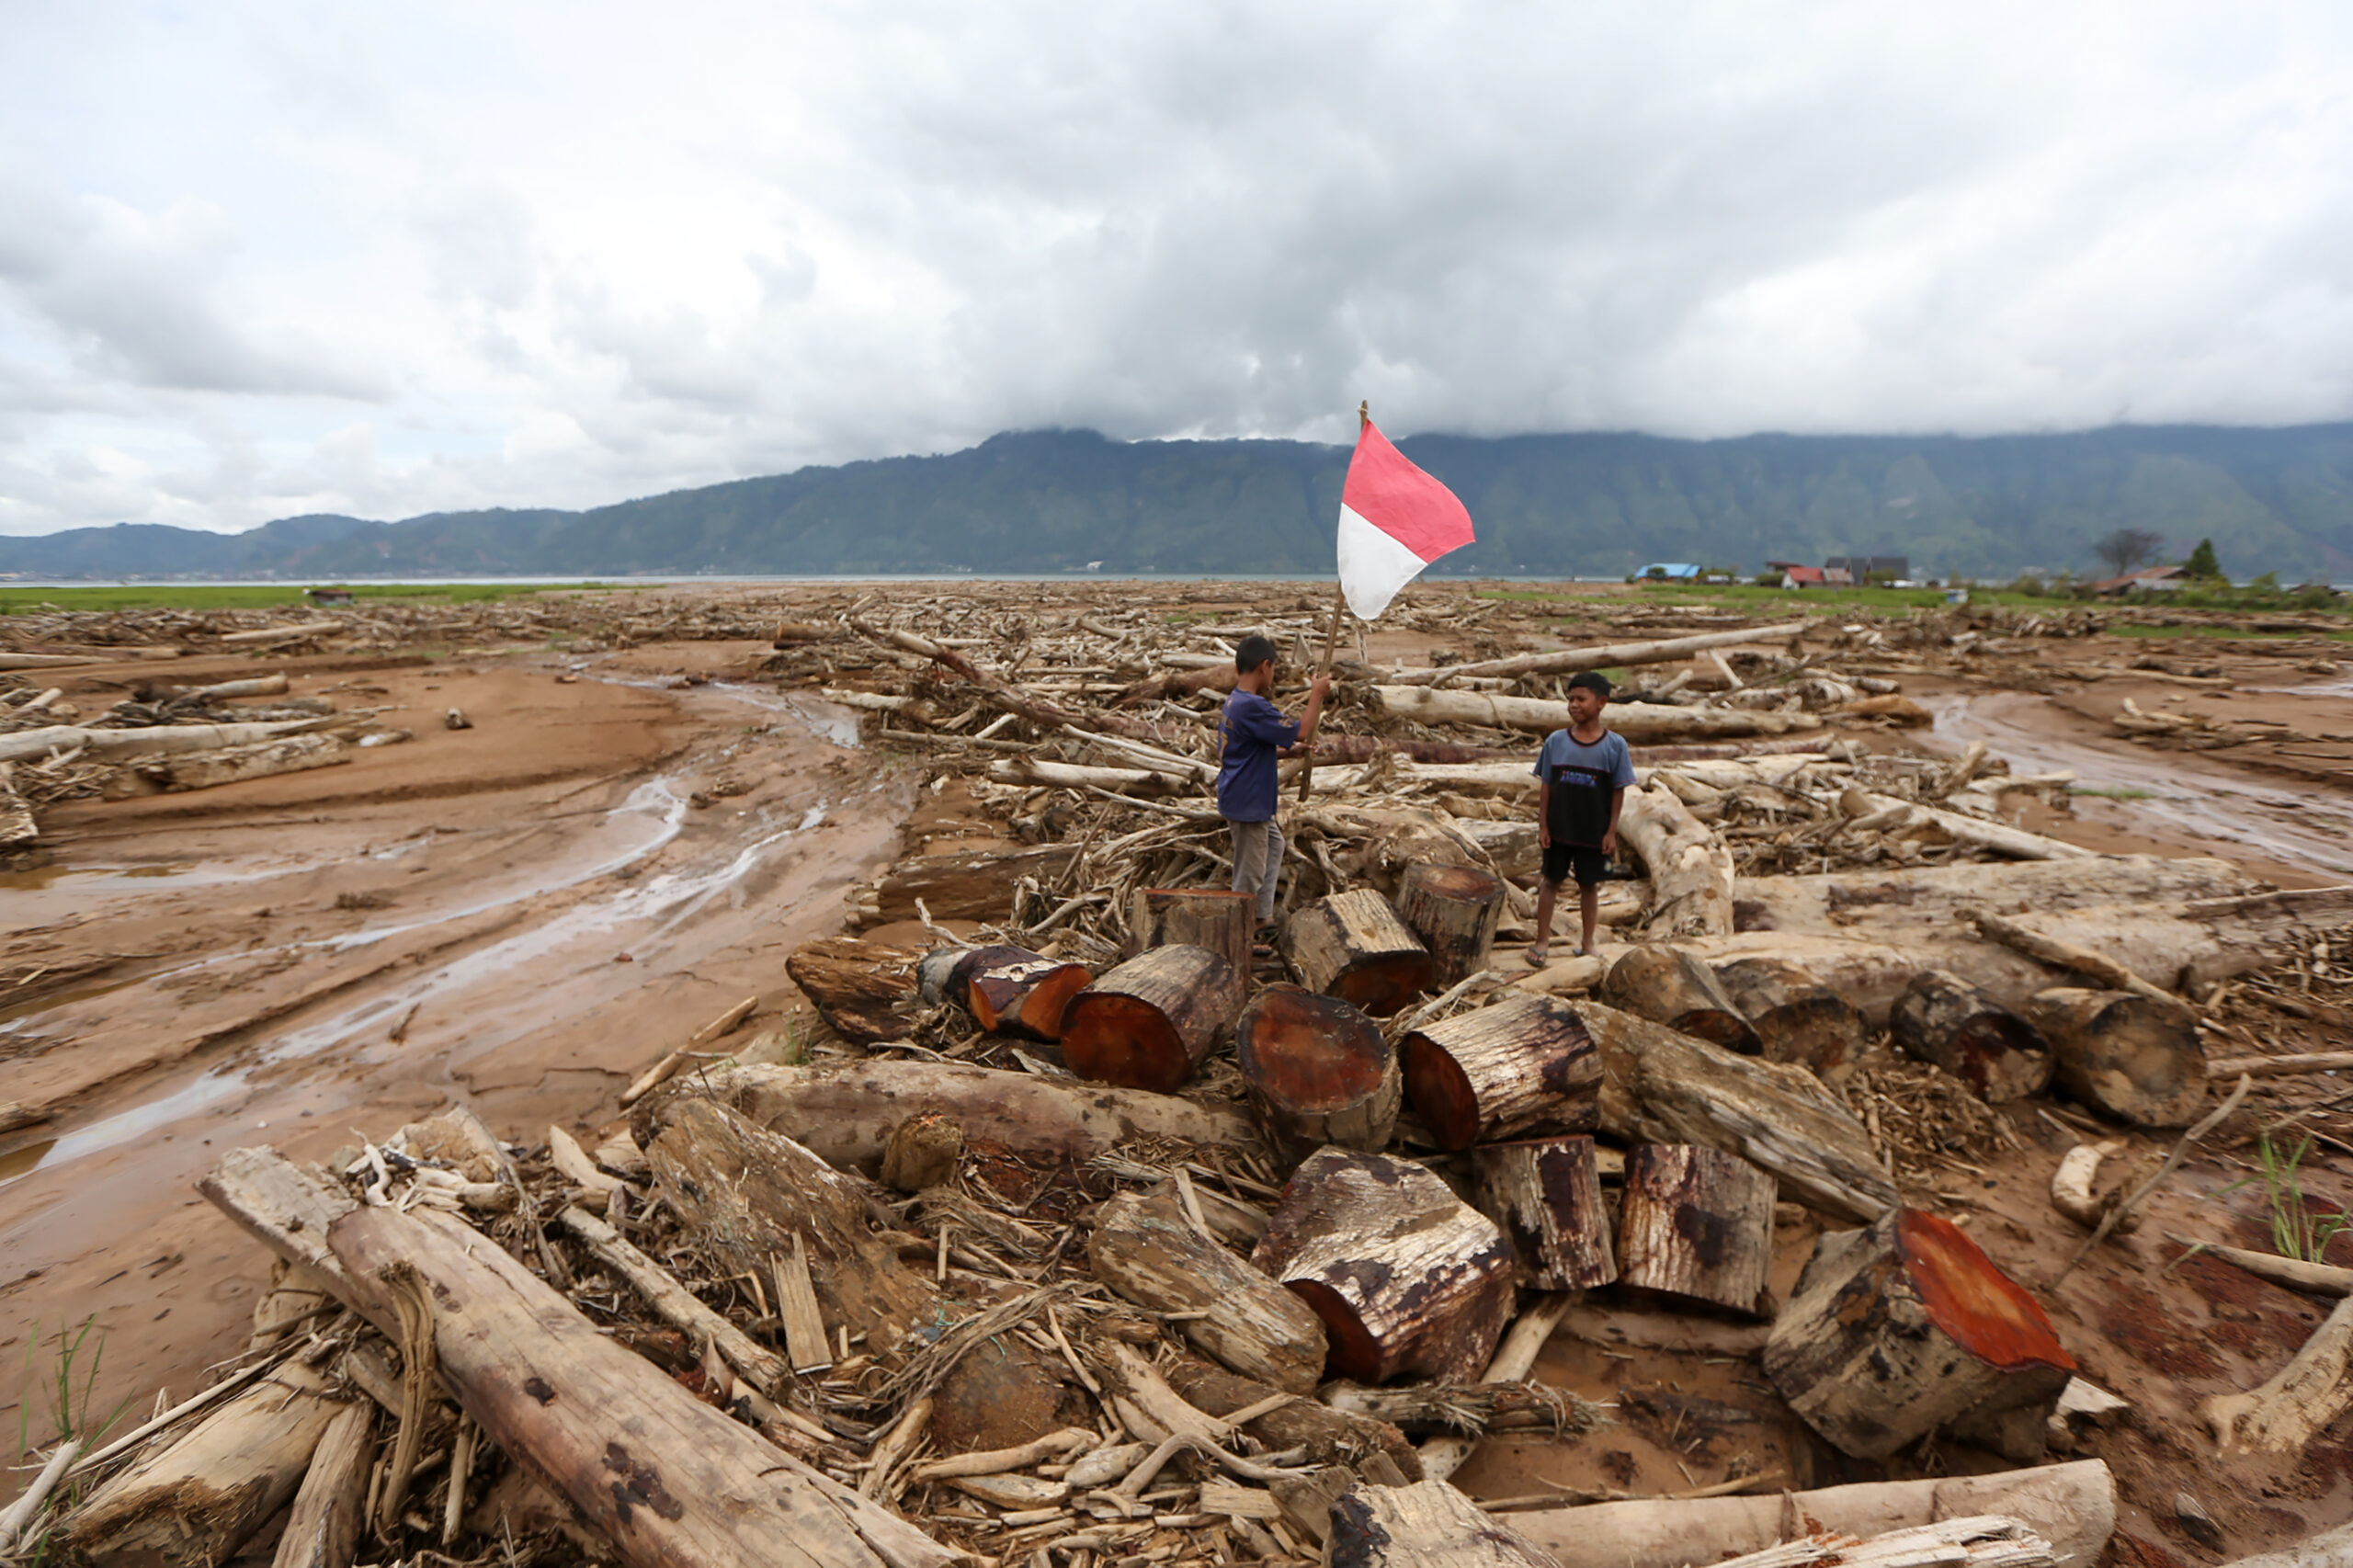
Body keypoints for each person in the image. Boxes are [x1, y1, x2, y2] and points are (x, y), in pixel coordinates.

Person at [1217, 633, 1331, 945]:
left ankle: (1262, 917)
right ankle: (1238, 936)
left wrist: (1287, 753)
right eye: (1274, 669)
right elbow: (1302, 730)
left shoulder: (1234, 702)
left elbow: (1247, 749)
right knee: (1249, 873)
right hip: (1248, 801)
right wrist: (1316, 694)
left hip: (1246, 797)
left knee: (1275, 844)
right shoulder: (1252, 706)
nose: (1274, 676)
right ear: (1264, 666)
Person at [1527, 670, 1635, 966]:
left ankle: (1588, 943)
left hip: (1593, 831)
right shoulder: (1556, 742)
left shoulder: (1615, 747)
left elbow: (1617, 791)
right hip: (1559, 829)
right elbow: (1546, 785)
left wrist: (1611, 832)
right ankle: (1541, 942)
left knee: (1589, 886)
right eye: (1570, 699)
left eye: (1581, 699)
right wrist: (1543, 825)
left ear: (1601, 702)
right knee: (1550, 882)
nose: (1574, 704)